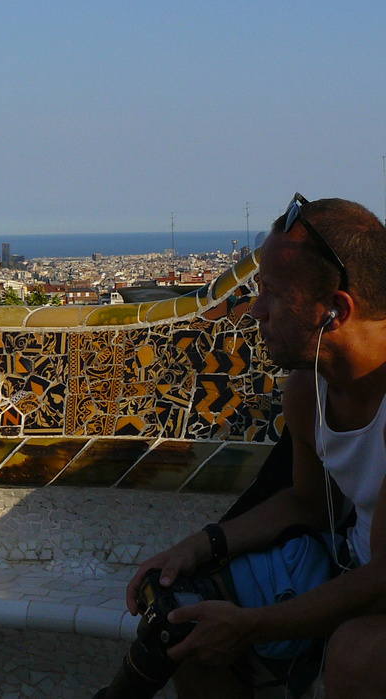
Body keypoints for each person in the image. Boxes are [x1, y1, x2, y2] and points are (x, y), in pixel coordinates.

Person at [126, 196, 386, 696]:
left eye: (271, 294)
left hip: (377, 581)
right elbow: (306, 502)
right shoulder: (308, 393)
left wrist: (254, 625)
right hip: (354, 565)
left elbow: (384, 576)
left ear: (335, 310)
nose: (253, 313)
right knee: (187, 623)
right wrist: (197, 546)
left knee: (356, 652)